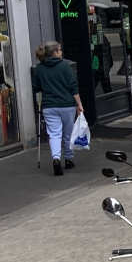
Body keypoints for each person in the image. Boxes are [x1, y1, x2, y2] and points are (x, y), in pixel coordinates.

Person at [31, 41, 83, 176]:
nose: (61, 52)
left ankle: (56, 158)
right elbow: (73, 87)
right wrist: (79, 104)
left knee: (54, 134)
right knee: (68, 133)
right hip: (67, 105)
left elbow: (36, 88)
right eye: (59, 50)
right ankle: (68, 159)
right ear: (54, 52)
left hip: (49, 106)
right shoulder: (65, 66)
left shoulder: (39, 69)